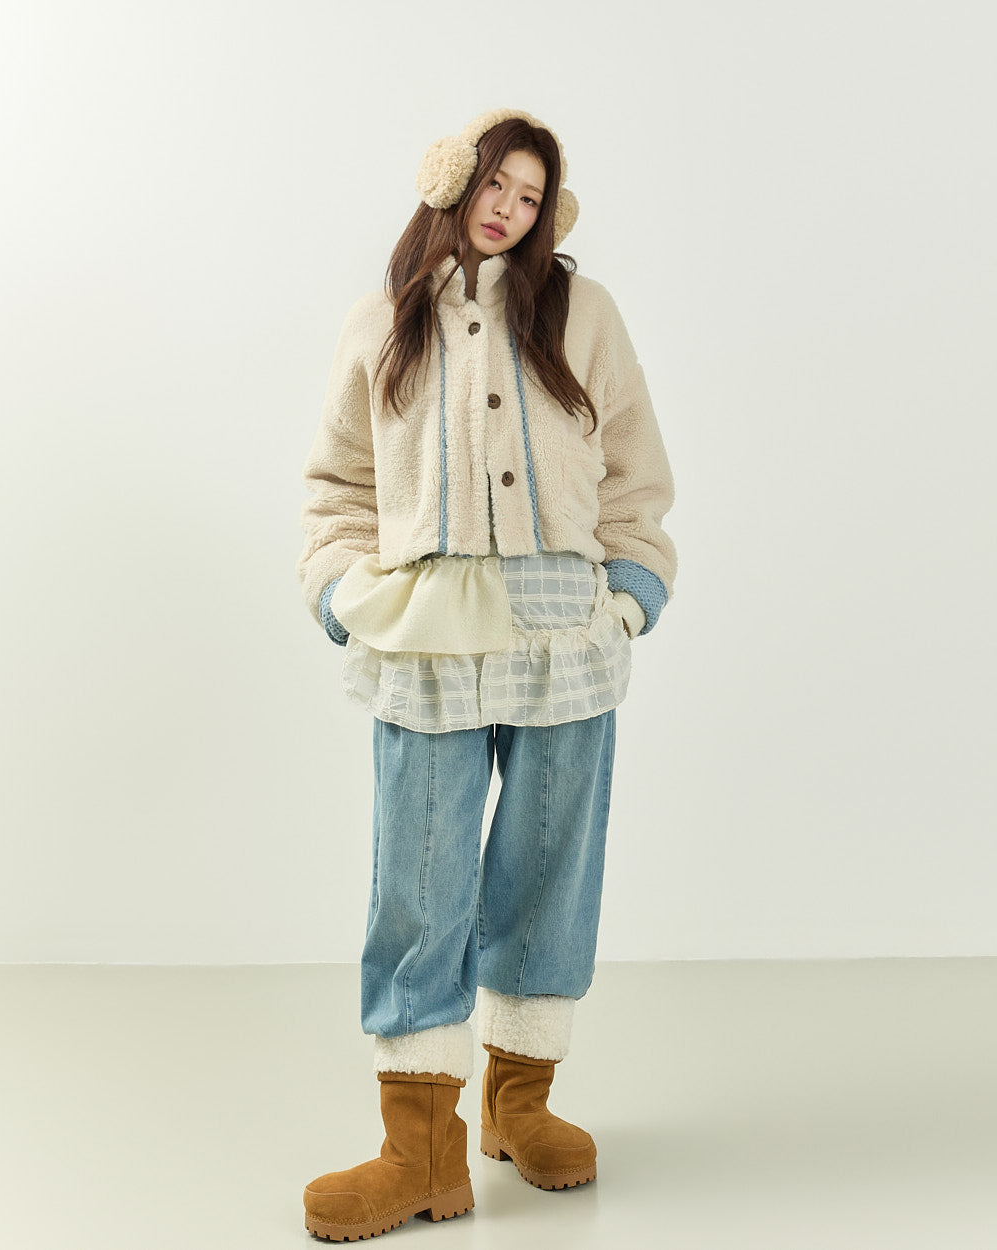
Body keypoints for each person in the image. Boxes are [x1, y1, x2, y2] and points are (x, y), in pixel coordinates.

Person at [296, 106, 677, 1241]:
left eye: (530, 192)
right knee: (419, 878)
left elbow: (633, 470)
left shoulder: (583, 313)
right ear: (452, 182)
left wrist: (627, 597)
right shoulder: (382, 322)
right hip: (428, 633)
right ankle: (420, 1151)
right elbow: (337, 486)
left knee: (548, 863)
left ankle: (520, 1103)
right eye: (494, 184)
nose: (508, 207)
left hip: (564, 634)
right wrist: (341, 591)